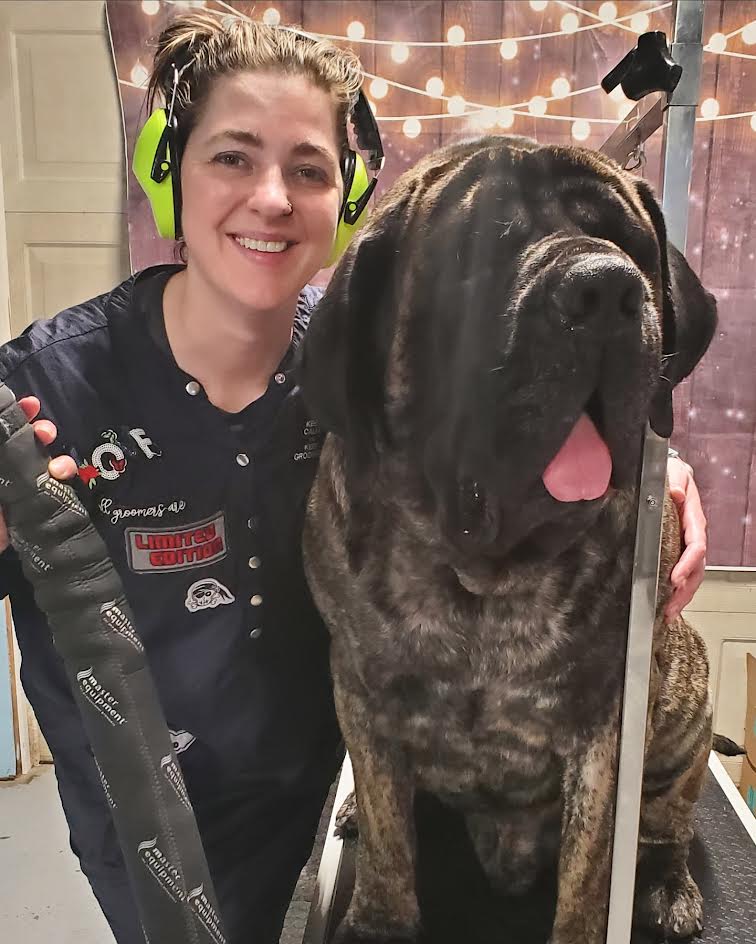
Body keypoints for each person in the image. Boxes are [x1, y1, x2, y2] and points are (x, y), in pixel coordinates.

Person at [0, 11, 707, 944]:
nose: (271, 198)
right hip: (150, 815)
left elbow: (525, 396)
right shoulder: (47, 385)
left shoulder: (372, 353)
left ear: (347, 195)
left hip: (328, 787)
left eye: (308, 169)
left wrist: (655, 464)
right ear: (166, 174)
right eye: (231, 157)